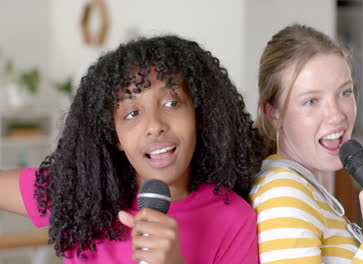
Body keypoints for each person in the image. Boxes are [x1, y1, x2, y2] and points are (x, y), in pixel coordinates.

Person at [0, 35, 262, 263]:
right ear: (114, 136)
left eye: (172, 103)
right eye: (132, 113)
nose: (154, 126)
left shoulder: (233, 219)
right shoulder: (79, 192)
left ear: (199, 115)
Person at [250, 24, 363, 264]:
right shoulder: (284, 195)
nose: (337, 116)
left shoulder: (307, 190)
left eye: (344, 93)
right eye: (312, 101)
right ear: (273, 113)